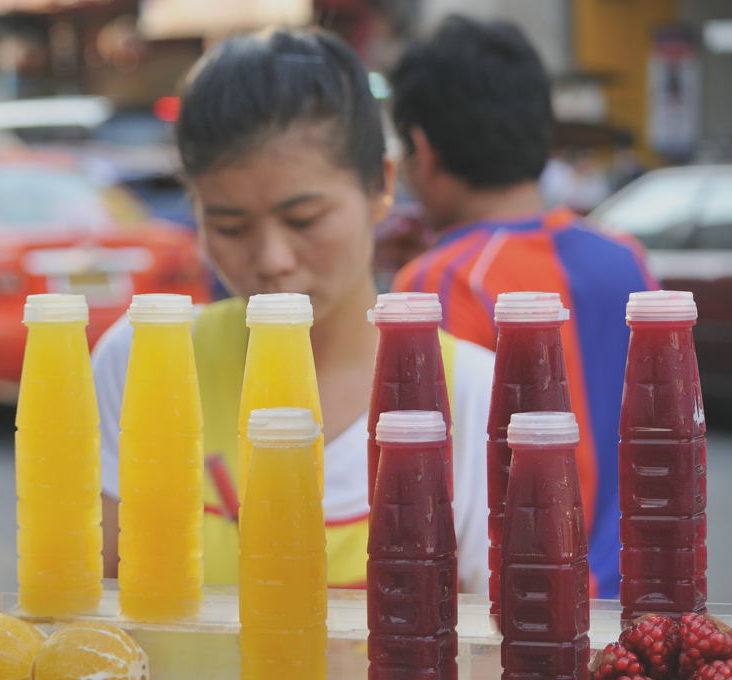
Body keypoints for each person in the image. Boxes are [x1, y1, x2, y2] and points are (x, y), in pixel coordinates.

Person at [92, 26, 495, 592]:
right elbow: (94, 619)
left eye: (304, 220)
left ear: (380, 185)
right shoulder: (143, 364)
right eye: (230, 226)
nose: (272, 260)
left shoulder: (472, 397)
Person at [389, 14, 659, 599]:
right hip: (639, 613)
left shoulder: (442, 279)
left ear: (420, 150)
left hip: (529, 619)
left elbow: (425, 503)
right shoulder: (626, 258)